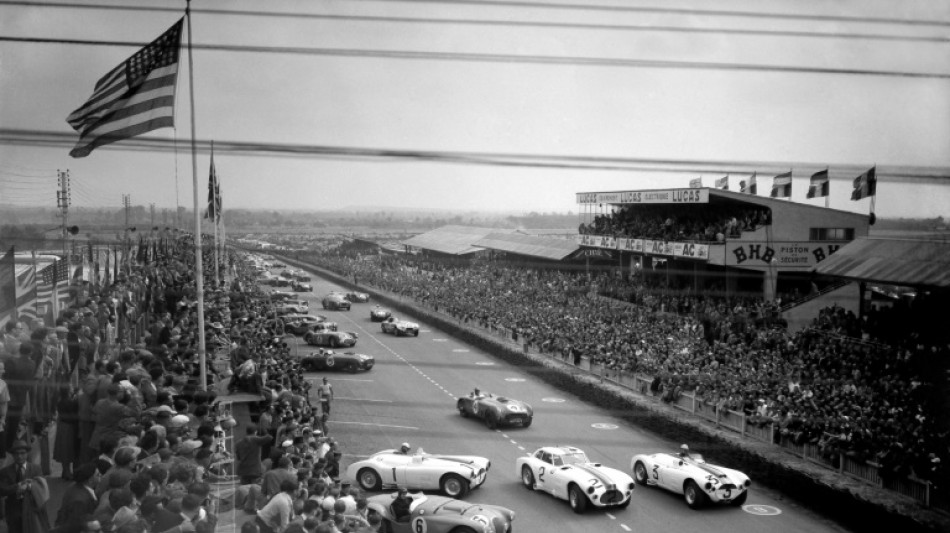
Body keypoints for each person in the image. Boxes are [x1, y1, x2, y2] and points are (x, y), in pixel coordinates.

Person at [0, 440, 47, 533]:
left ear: (27, 454)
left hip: (32, 509)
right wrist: (18, 486)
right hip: (13, 510)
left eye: (22, 453)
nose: (19, 456)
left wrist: (29, 486)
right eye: (16, 454)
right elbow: (2, 490)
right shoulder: (5, 471)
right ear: (13, 455)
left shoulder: (36, 469)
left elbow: (41, 486)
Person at [55, 463, 100, 533]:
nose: (101, 476)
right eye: (97, 475)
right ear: (90, 480)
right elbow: (75, 525)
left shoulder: (74, 486)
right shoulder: (80, 502)